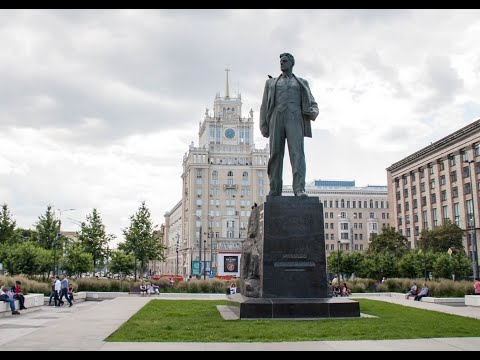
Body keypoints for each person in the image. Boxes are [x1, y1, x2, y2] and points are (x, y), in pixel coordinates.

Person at [259, 52, 319, 197]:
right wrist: (264, 125)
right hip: (276, 118)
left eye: (285, 61)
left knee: (297, 154)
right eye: (281, 61)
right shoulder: (271, 83)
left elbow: (312, 102)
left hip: (295, 118)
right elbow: (264, 106)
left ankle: (299, 189)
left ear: (292, 63)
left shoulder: (302, 82)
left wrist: (314, 111)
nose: (282, 63)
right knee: (275, 154)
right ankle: (275, 189)